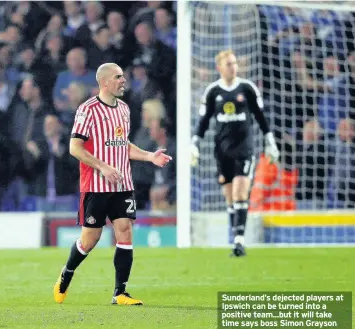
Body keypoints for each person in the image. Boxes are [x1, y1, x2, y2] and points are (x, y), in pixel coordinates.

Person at [53, 63, 172, 306]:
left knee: (125, 231)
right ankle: (67, 272)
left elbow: (122, 144)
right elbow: (75, 148)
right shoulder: (88, 110)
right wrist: (103, 167)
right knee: (90, 240)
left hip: (122, 183)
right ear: (105, 82)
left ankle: (120, 293)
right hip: (96, 186)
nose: (123, 80)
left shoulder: (125, 109)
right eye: (118, 77)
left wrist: (149, 156)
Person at [190, 49, 280, 257]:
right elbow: (203, 122)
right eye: (229, 64)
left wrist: (270, 140)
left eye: (235, 63)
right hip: (222, 151)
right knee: (229, 197)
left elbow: (260, 117)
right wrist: (194, 143)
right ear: (219, 67)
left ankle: (239, 242)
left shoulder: (247, 88)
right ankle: (236, 239)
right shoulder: (212, 92)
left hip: (244, 149)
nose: (233, 67)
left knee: (241, 192)